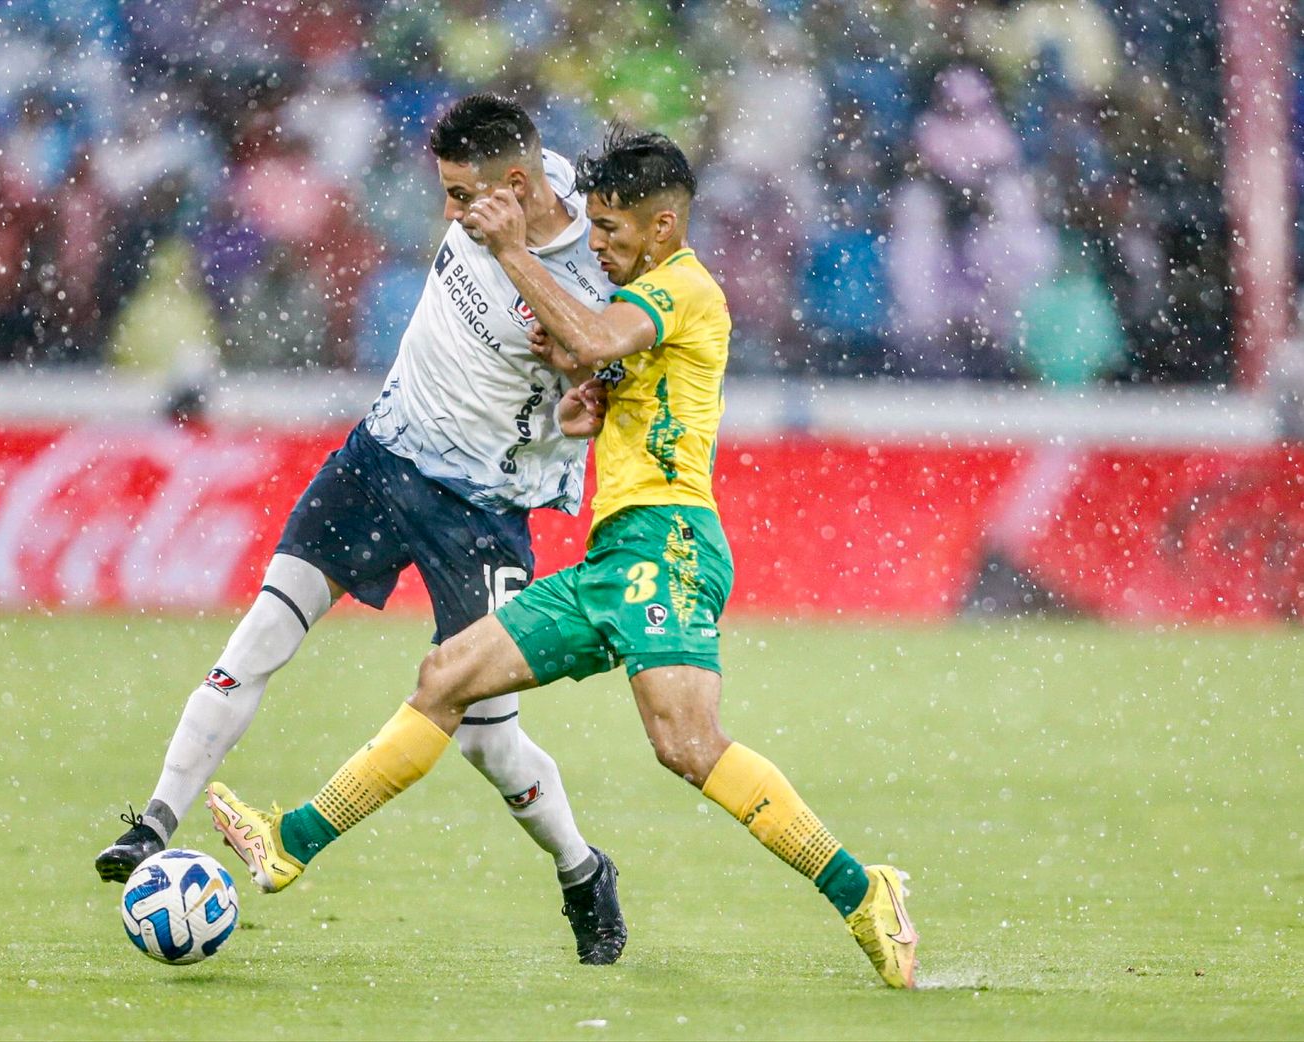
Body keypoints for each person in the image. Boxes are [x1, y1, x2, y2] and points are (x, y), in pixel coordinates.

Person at [205, 127, 920, 988]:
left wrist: (514, 253)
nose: (601, 247)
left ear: (660, 228)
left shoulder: (683, 288)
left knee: (687, 744)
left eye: (612, 233)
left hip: (669, 545)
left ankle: (861, 889)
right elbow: (605, 374)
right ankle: (289, 846)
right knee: (446, 679)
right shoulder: (644, 297)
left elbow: (593, 338)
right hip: (614, 556)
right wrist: (594, 409)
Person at [95, 94, 628, 966]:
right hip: (383, 455)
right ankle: (152, 822)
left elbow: (604, 361)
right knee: (263, 630)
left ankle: (581, 870)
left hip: (484, 509)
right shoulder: (535, 181)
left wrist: (584, 409)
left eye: (464, 196)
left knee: (489, 739)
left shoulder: (586, 273)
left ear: (520, 183)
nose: (449, 213)